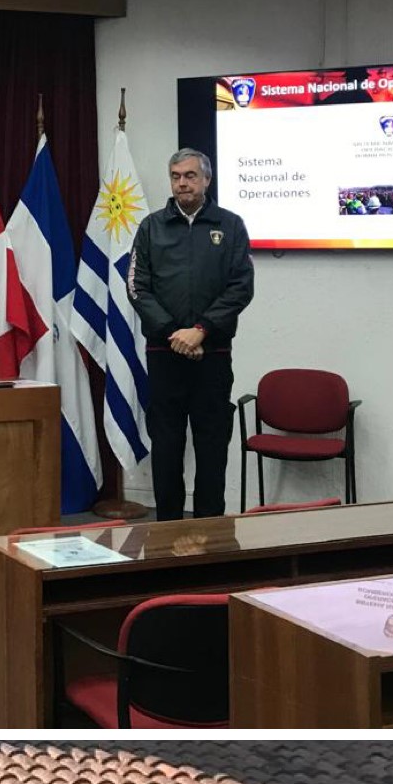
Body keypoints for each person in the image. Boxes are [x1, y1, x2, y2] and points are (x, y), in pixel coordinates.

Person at [129, 146, 256, 521]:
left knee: (212, 448)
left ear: (206, 179)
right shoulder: (151, 227)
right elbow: (138, 287)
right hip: (165, 355)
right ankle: (166, 535)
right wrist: (175, 335)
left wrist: (201, 330)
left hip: (213, 356)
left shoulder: (230, 225)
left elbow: (241, 286)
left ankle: (212, 538)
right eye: (176, 176)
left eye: (190, 176)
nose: (182, 183)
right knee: (167, 448)